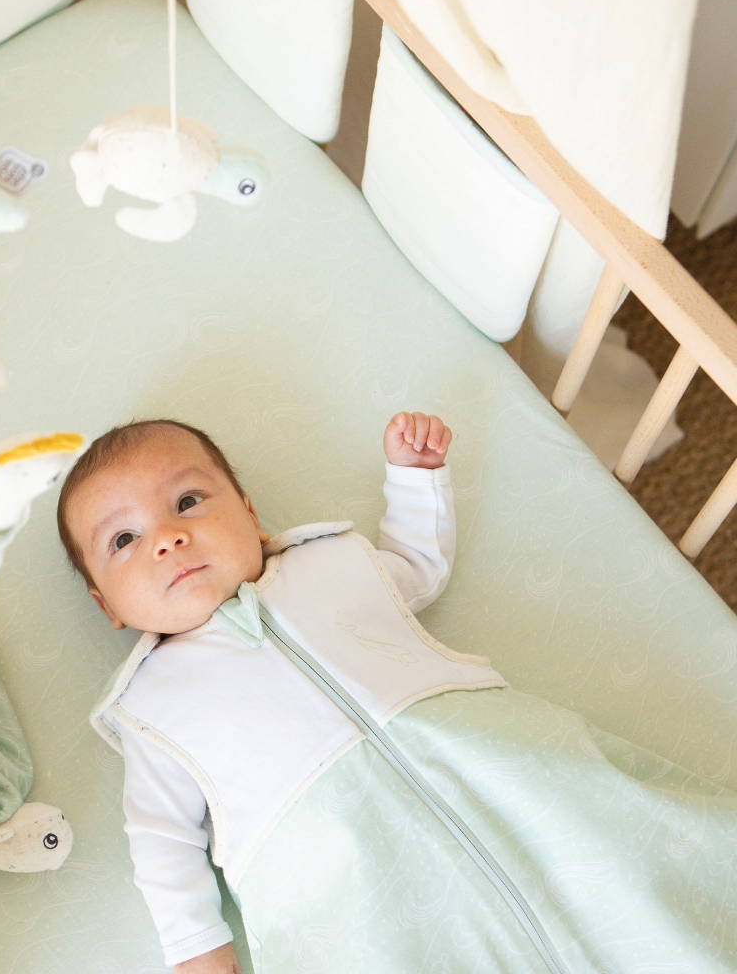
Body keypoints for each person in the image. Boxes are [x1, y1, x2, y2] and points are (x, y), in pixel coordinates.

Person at [57, 414, 737, 974]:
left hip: (503, 777)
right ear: (106, 605)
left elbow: (414, 568)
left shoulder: (331, 562)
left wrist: (414, 480)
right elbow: (161, 840)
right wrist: (201, 957)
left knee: (626, 871)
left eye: (188, 501)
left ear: (250, 512)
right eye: (123, 539)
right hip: (351, 884)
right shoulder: (151, 710)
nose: (168, 538)